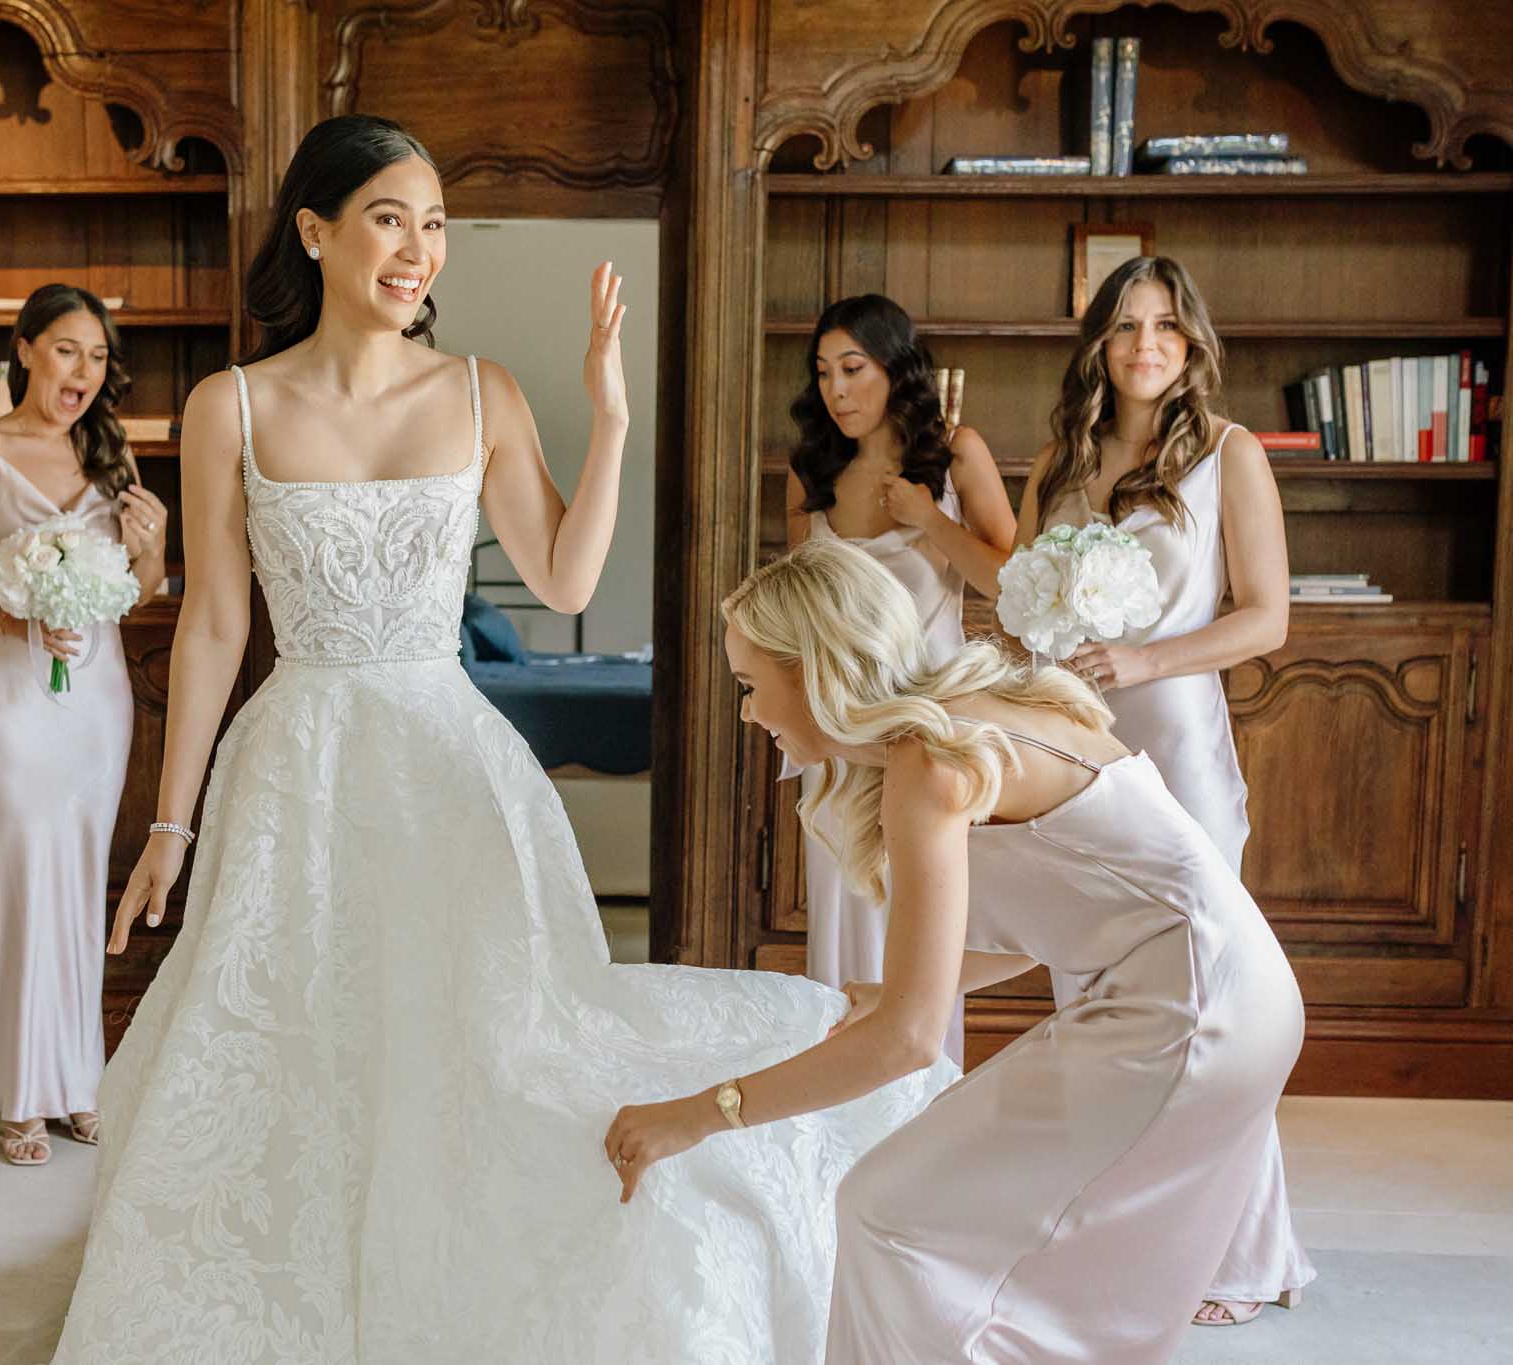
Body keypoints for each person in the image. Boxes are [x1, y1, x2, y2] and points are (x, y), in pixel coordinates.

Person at [48, 115, 951, 1364]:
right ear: (313, 230)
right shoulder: (229, 407)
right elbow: (212, 624)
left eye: (432, 226)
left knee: (471, 1044)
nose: (416, 251)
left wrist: (609, 417)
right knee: (288, 1047)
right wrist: (167, 823)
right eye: (387, 219)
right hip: (293, 763)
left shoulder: (479, 393)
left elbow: (564, 577)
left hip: (444, 767)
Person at [606, 537, 1305, 1363]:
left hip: (1193, 1009)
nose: (748, 713)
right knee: (912, 1218)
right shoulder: (961, 722)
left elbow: (907, 1042)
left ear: (817, 669)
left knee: (888, 1210)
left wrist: (693, 1115)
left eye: (751, 685)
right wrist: (898, 988)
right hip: (1224, 989)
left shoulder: (931, 758)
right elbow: (1070, 907)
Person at [1016, 255, 1313, 1325]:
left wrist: (1143, 660)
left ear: (1190, 346)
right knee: (1091, 993)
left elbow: (1266, 617)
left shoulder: (1228, 455)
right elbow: (1021, 603)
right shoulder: (1060, 459)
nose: (1146, 344)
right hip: (1075, 748)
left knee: (1203, 1003)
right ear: (1099, 343)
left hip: (1176, 752)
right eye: (1126, 326)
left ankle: (1239, 1253)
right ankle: (1111, 1236)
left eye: (1166, 327)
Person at [0, 285, 168, 1165]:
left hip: (92, 699)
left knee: (76, 877)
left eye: (97, 356)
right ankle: (18, 1090)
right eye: (66, 350)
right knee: (12, 876)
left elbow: (139, 592)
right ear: (24, 349)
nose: (82, 372)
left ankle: (74, 1077)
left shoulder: (111, 453)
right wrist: (14, 620)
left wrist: (151, 548)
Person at [782, 293, 1014, 1062]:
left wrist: (931, 519)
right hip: (838, 728)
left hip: (929, 732)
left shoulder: (956, 456)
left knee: (924, 920)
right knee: (843, 915)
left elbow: (1012, 585)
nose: (836, 389)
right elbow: (796, 609)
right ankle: (837, 1092)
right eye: (824, 372)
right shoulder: (811, 469)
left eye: (853, 368)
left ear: (895, 367)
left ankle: (923, 1088)